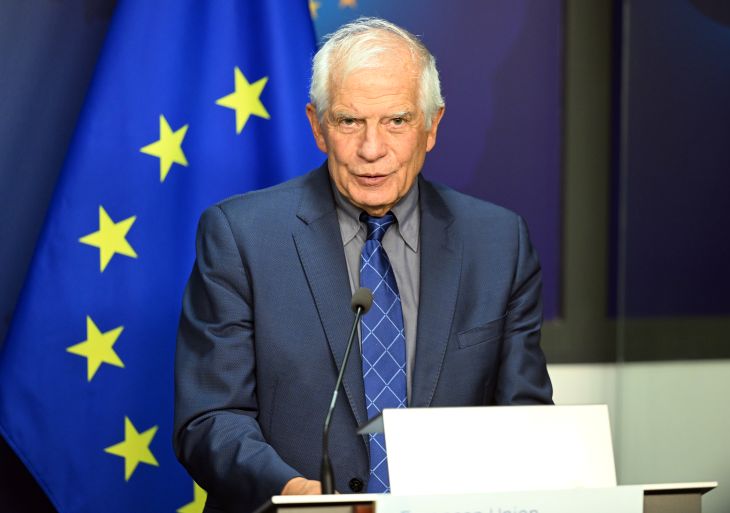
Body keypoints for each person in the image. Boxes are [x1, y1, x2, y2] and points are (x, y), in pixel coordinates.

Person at [173, 17, 553, 513]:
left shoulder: (500, 242)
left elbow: (526, 421)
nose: (372, 150)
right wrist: (299, 497)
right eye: (349, 122)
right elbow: (210, 419)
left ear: (432, 126)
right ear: (317, 126)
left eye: (397, 120)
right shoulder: (240, 236)